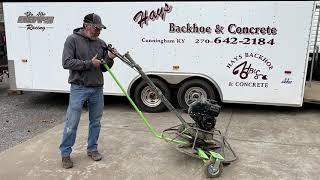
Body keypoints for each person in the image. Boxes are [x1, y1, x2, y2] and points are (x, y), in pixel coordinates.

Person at [59, 13, 118, 169]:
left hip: (97, 88)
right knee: (72, 122)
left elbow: (105, 68)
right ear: (86, 26)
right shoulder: (72, 40)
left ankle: (92, 149)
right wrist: (89, 64)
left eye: (100, 29)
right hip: (78, 87)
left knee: (96, 122)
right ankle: (65, 153)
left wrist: (110, 58)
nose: (99, 31)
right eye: (97, 28)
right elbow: (66, 62)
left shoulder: (101, 43)